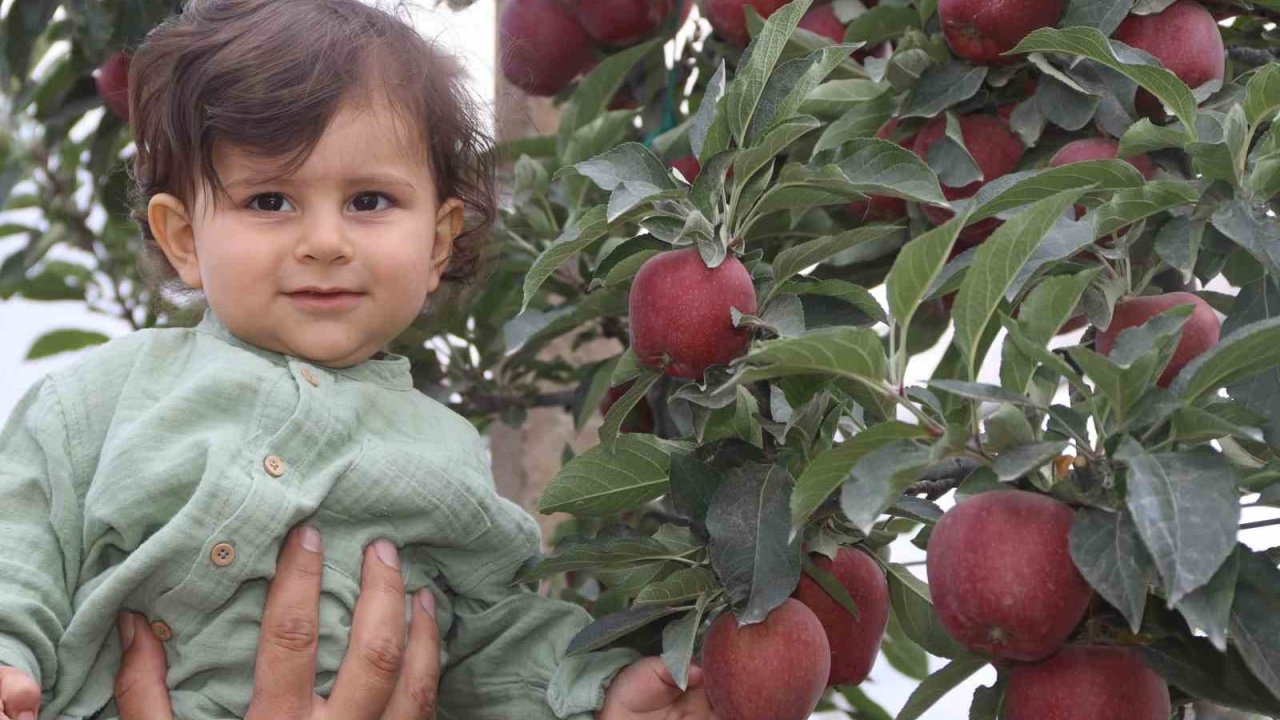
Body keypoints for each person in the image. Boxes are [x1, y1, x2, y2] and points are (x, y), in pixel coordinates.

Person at [0, 1, 715, 718]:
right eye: (270, 199)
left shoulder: (443, 456)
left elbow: (500, 637)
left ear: (437, 243)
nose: (325, 241)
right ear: (184, 238)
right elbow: (20, 541)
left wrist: (598, 695)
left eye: (369, 200)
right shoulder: (102, 398)